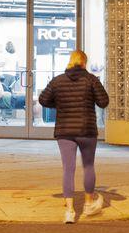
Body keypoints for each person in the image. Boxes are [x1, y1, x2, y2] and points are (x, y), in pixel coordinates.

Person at [38, 49, 110, 223]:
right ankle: (88, 204)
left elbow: (43, 100)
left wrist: (60, 104)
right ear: (84, 63)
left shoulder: (57, 81)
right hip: (87, 130)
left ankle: (69, 211)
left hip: (65, 131)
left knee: (68, 169)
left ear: (70, 62)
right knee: (88, 166)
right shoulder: (91, 80)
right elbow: (104, 101)